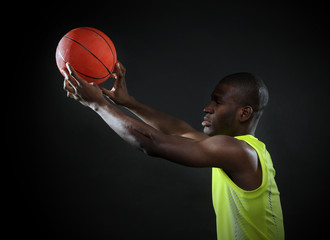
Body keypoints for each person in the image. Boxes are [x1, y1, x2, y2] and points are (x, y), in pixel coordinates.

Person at [62, 61, 284, 239]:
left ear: (244, 113)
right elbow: (179, 130)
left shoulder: (237, 151)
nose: (207, 108)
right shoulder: (239, 149)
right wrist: (128, 102)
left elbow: (152, 143)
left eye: (218, 102)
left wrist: (98, 104)